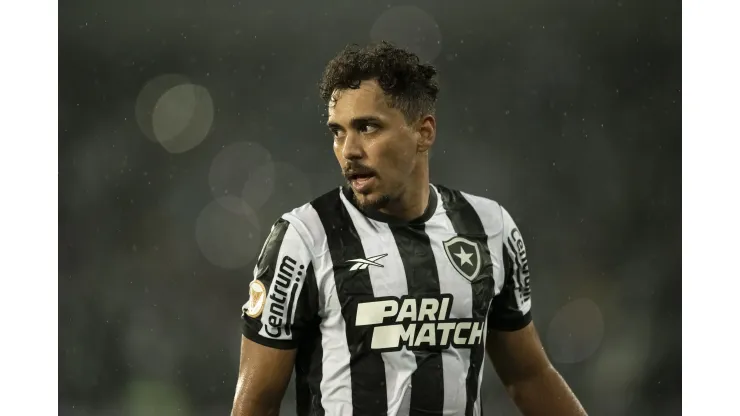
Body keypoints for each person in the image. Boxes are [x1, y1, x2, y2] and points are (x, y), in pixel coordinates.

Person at [231, 41, 586, 416]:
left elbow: (528, 377)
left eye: (367, 127)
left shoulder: (490, 228)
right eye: (338, 132)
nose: (348, 149)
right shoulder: (303, 238)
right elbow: (256, 403)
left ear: (424, 132)